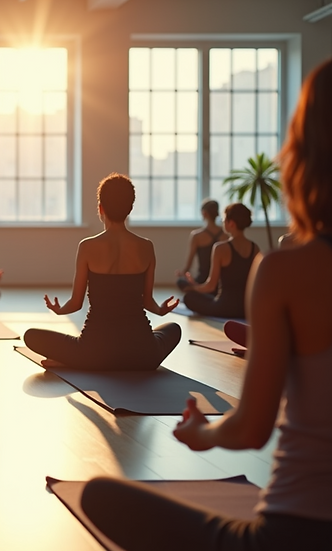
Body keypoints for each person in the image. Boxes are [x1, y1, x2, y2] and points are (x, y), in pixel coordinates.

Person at [80, 57, 332, 551]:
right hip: (151, 336)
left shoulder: (284, 269)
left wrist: (203, 435)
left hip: (295, 534)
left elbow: (252, 429)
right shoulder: (224, 252)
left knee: (101, 496)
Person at [23, 173, 181, 371]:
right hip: (142, 354)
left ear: (100, 208)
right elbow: (148, 302)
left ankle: (74, 361)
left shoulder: (87, 247)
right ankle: (108, 360)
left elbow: (76, 303)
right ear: (130, 208)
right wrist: (161, 310)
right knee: (173, 329)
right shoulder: (146, 247)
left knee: (31, 336)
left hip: (94, 353)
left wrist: (59, 309)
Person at [181, 203, 260, 319]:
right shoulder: (255, 248)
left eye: (224, 220)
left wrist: (193, 287)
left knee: (189, 297)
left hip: (224, 307)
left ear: (231, 223)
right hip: (245, 309)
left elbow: (211, 286)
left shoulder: (220, 248)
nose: (222, 222)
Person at [175, 198, 227, 291]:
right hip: (220, 282)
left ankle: (200, 291)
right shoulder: (225, 235)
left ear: (204, 213)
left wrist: (182, 273)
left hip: (202, 280)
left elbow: (189, 263)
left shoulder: (196, 236)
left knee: (181, 282)